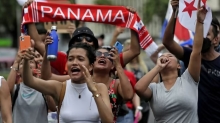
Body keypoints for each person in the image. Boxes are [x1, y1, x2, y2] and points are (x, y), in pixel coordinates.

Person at [25, 0, 140, 76]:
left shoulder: (105, 61)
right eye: (79, 39)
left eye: (89, 39)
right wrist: (29, 16)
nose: (84, 41)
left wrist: (131, 21)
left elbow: (134, 51)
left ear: (95, 45)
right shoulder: (63, 60)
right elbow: (38, 44)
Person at [135, 1, 206, 122]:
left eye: (171, 56)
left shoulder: (189, 80)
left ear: (179, 66)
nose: (166, 56)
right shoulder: (154, 89)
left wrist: (199, 22)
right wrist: (157, 68)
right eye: (163, 56)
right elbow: (138, 88)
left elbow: (196, 52)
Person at [22, 43, 113, 123]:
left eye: (80, 59)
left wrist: (94, 91)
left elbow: (108, 120)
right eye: (70, 59)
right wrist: (26, 61)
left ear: (90, 66)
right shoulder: (60, 88)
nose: (74, 63)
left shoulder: (100, 88)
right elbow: (29, 81)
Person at [162, 0, 220, 122]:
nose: (201, 37)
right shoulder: (190, 57)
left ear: (215, 40)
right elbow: (167, 41)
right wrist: (175, 13)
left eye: (206, 34)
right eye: (200, 32)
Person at [7, 49, 49, 123]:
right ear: (18, 72)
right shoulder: (16, 89)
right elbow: (7, 90)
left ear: (36, 67)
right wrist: (16, 61)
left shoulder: (44, 88)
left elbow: (53, 107)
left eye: (31, 62)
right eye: (22, 63)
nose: (27, 64)